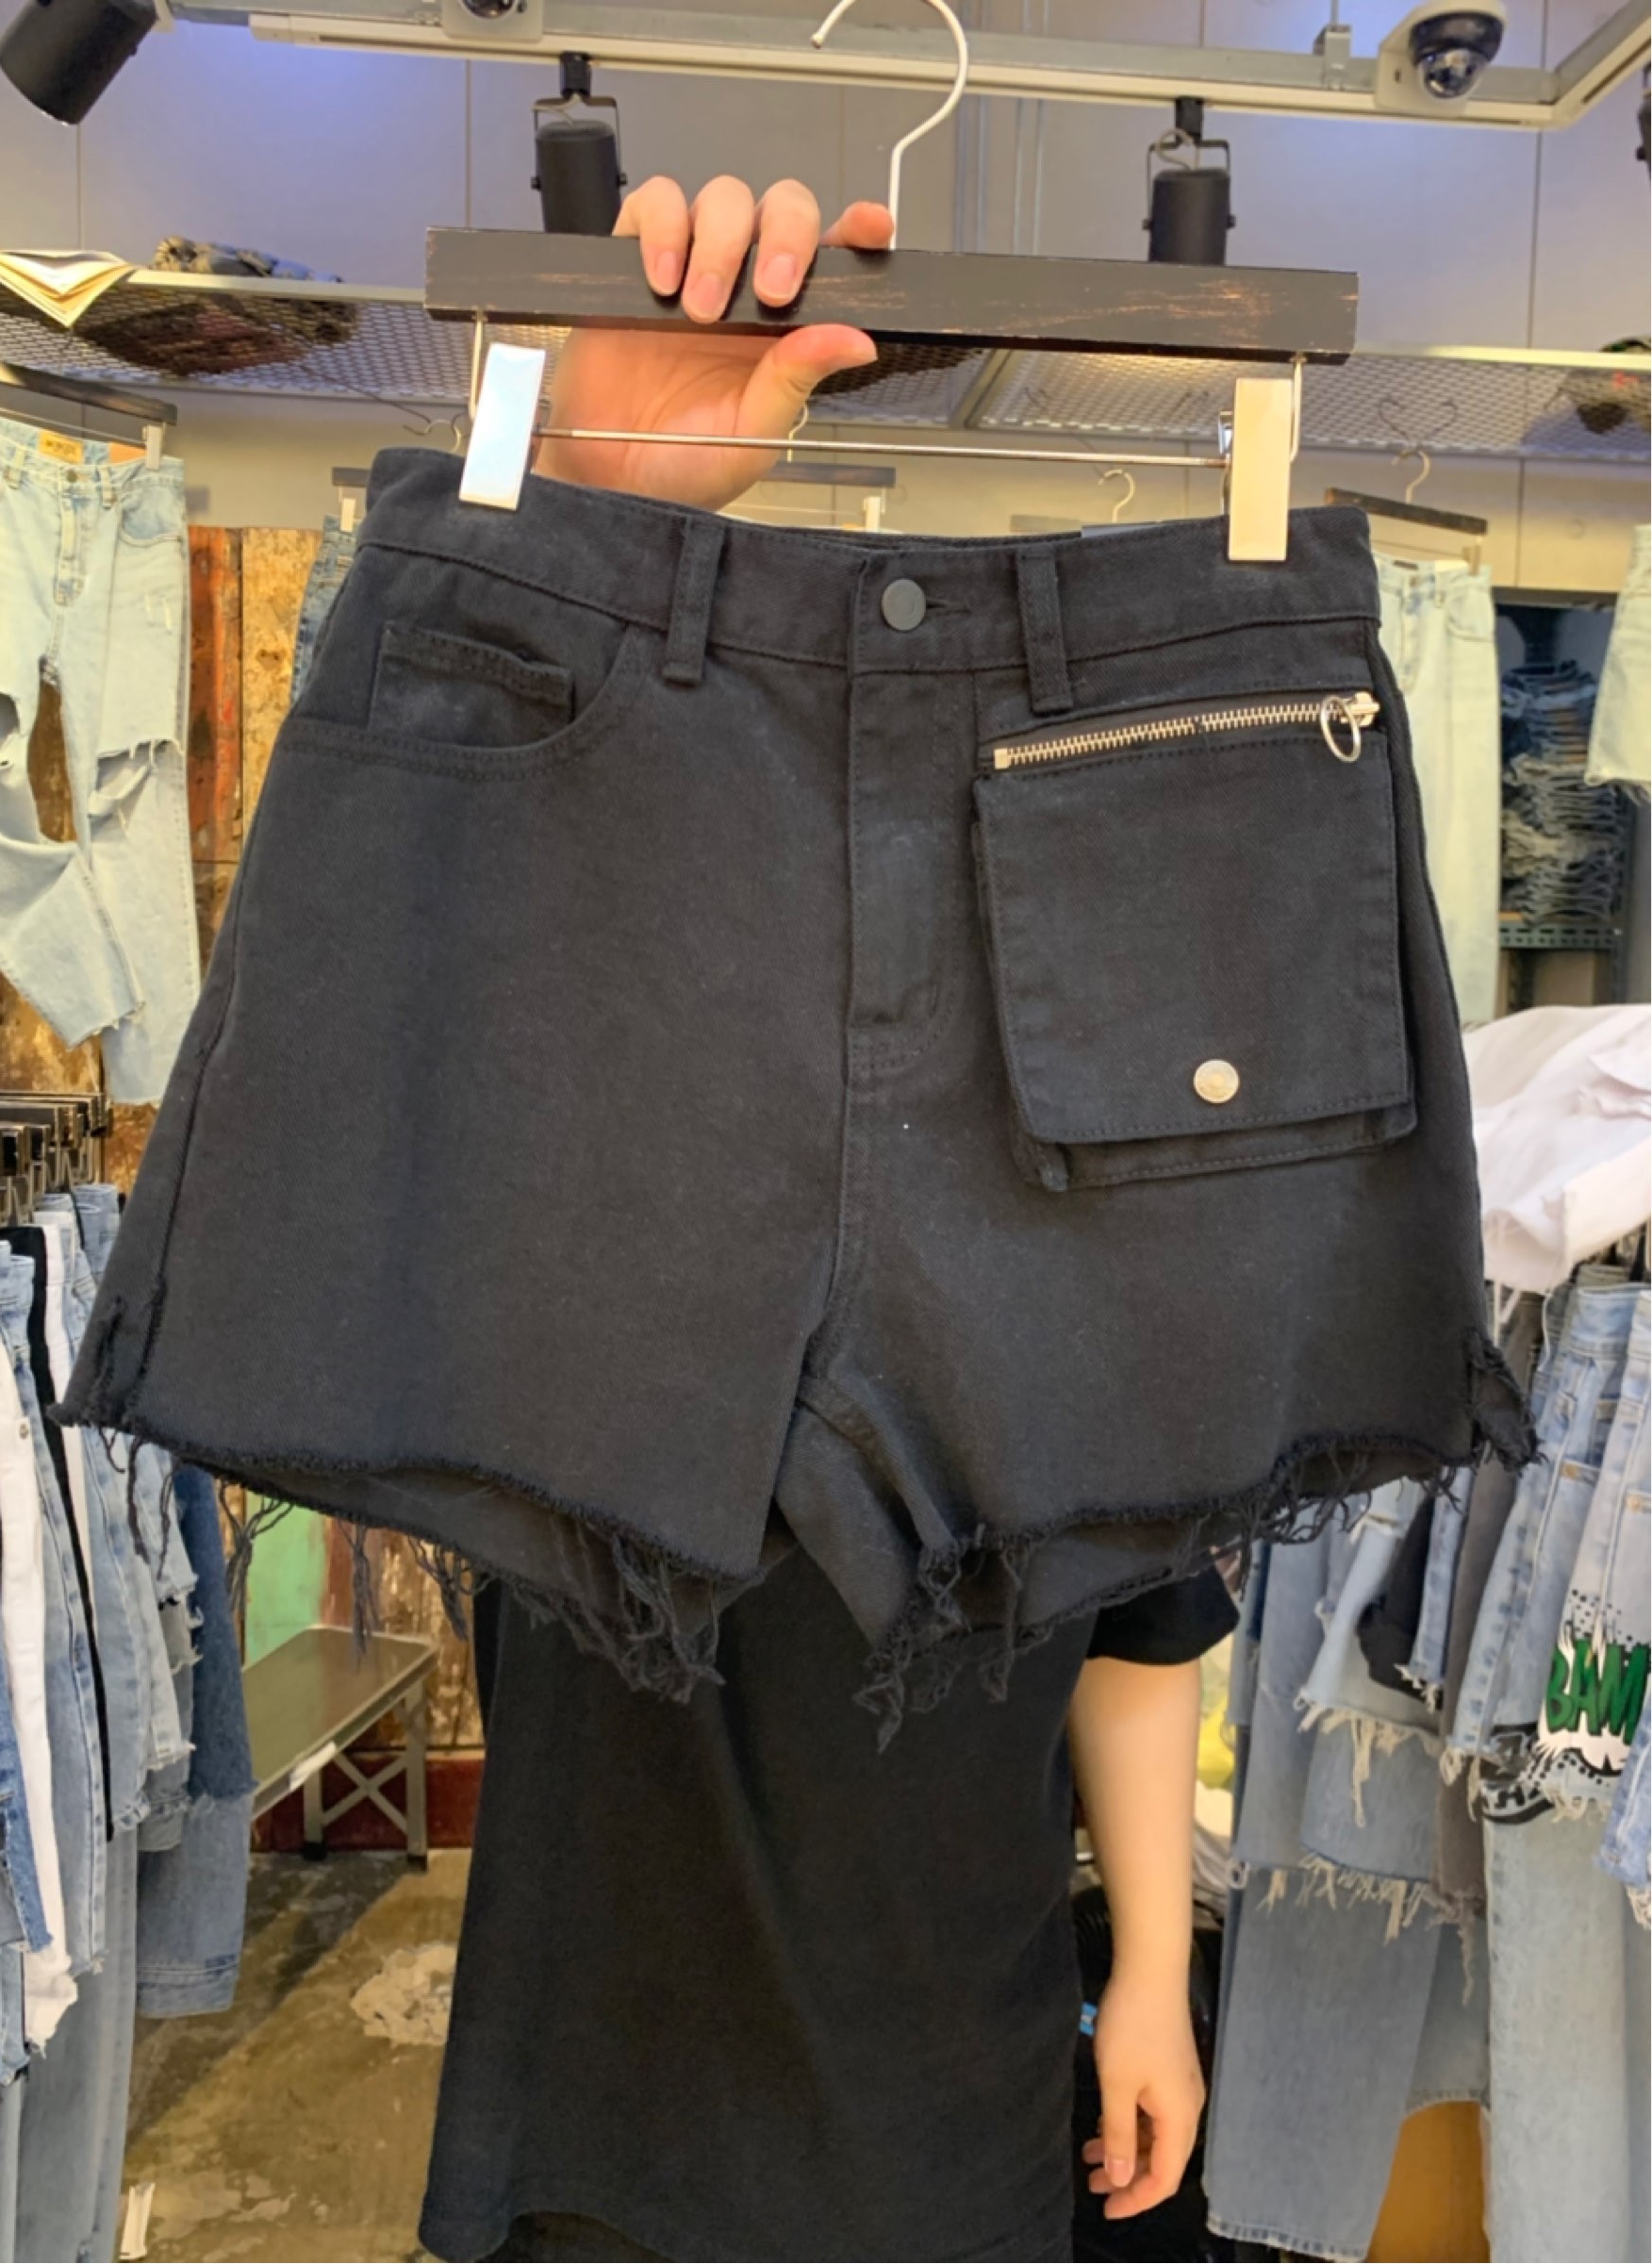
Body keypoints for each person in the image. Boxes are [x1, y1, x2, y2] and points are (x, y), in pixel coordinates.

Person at [420, 177, 1238, 2264]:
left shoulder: (1086, 1212)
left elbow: (1143, 1628)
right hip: (608, 2107)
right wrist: (592, 503)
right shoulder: (574, 1144)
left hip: (951, 2098)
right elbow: (429, 922)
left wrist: (1153, 1971)